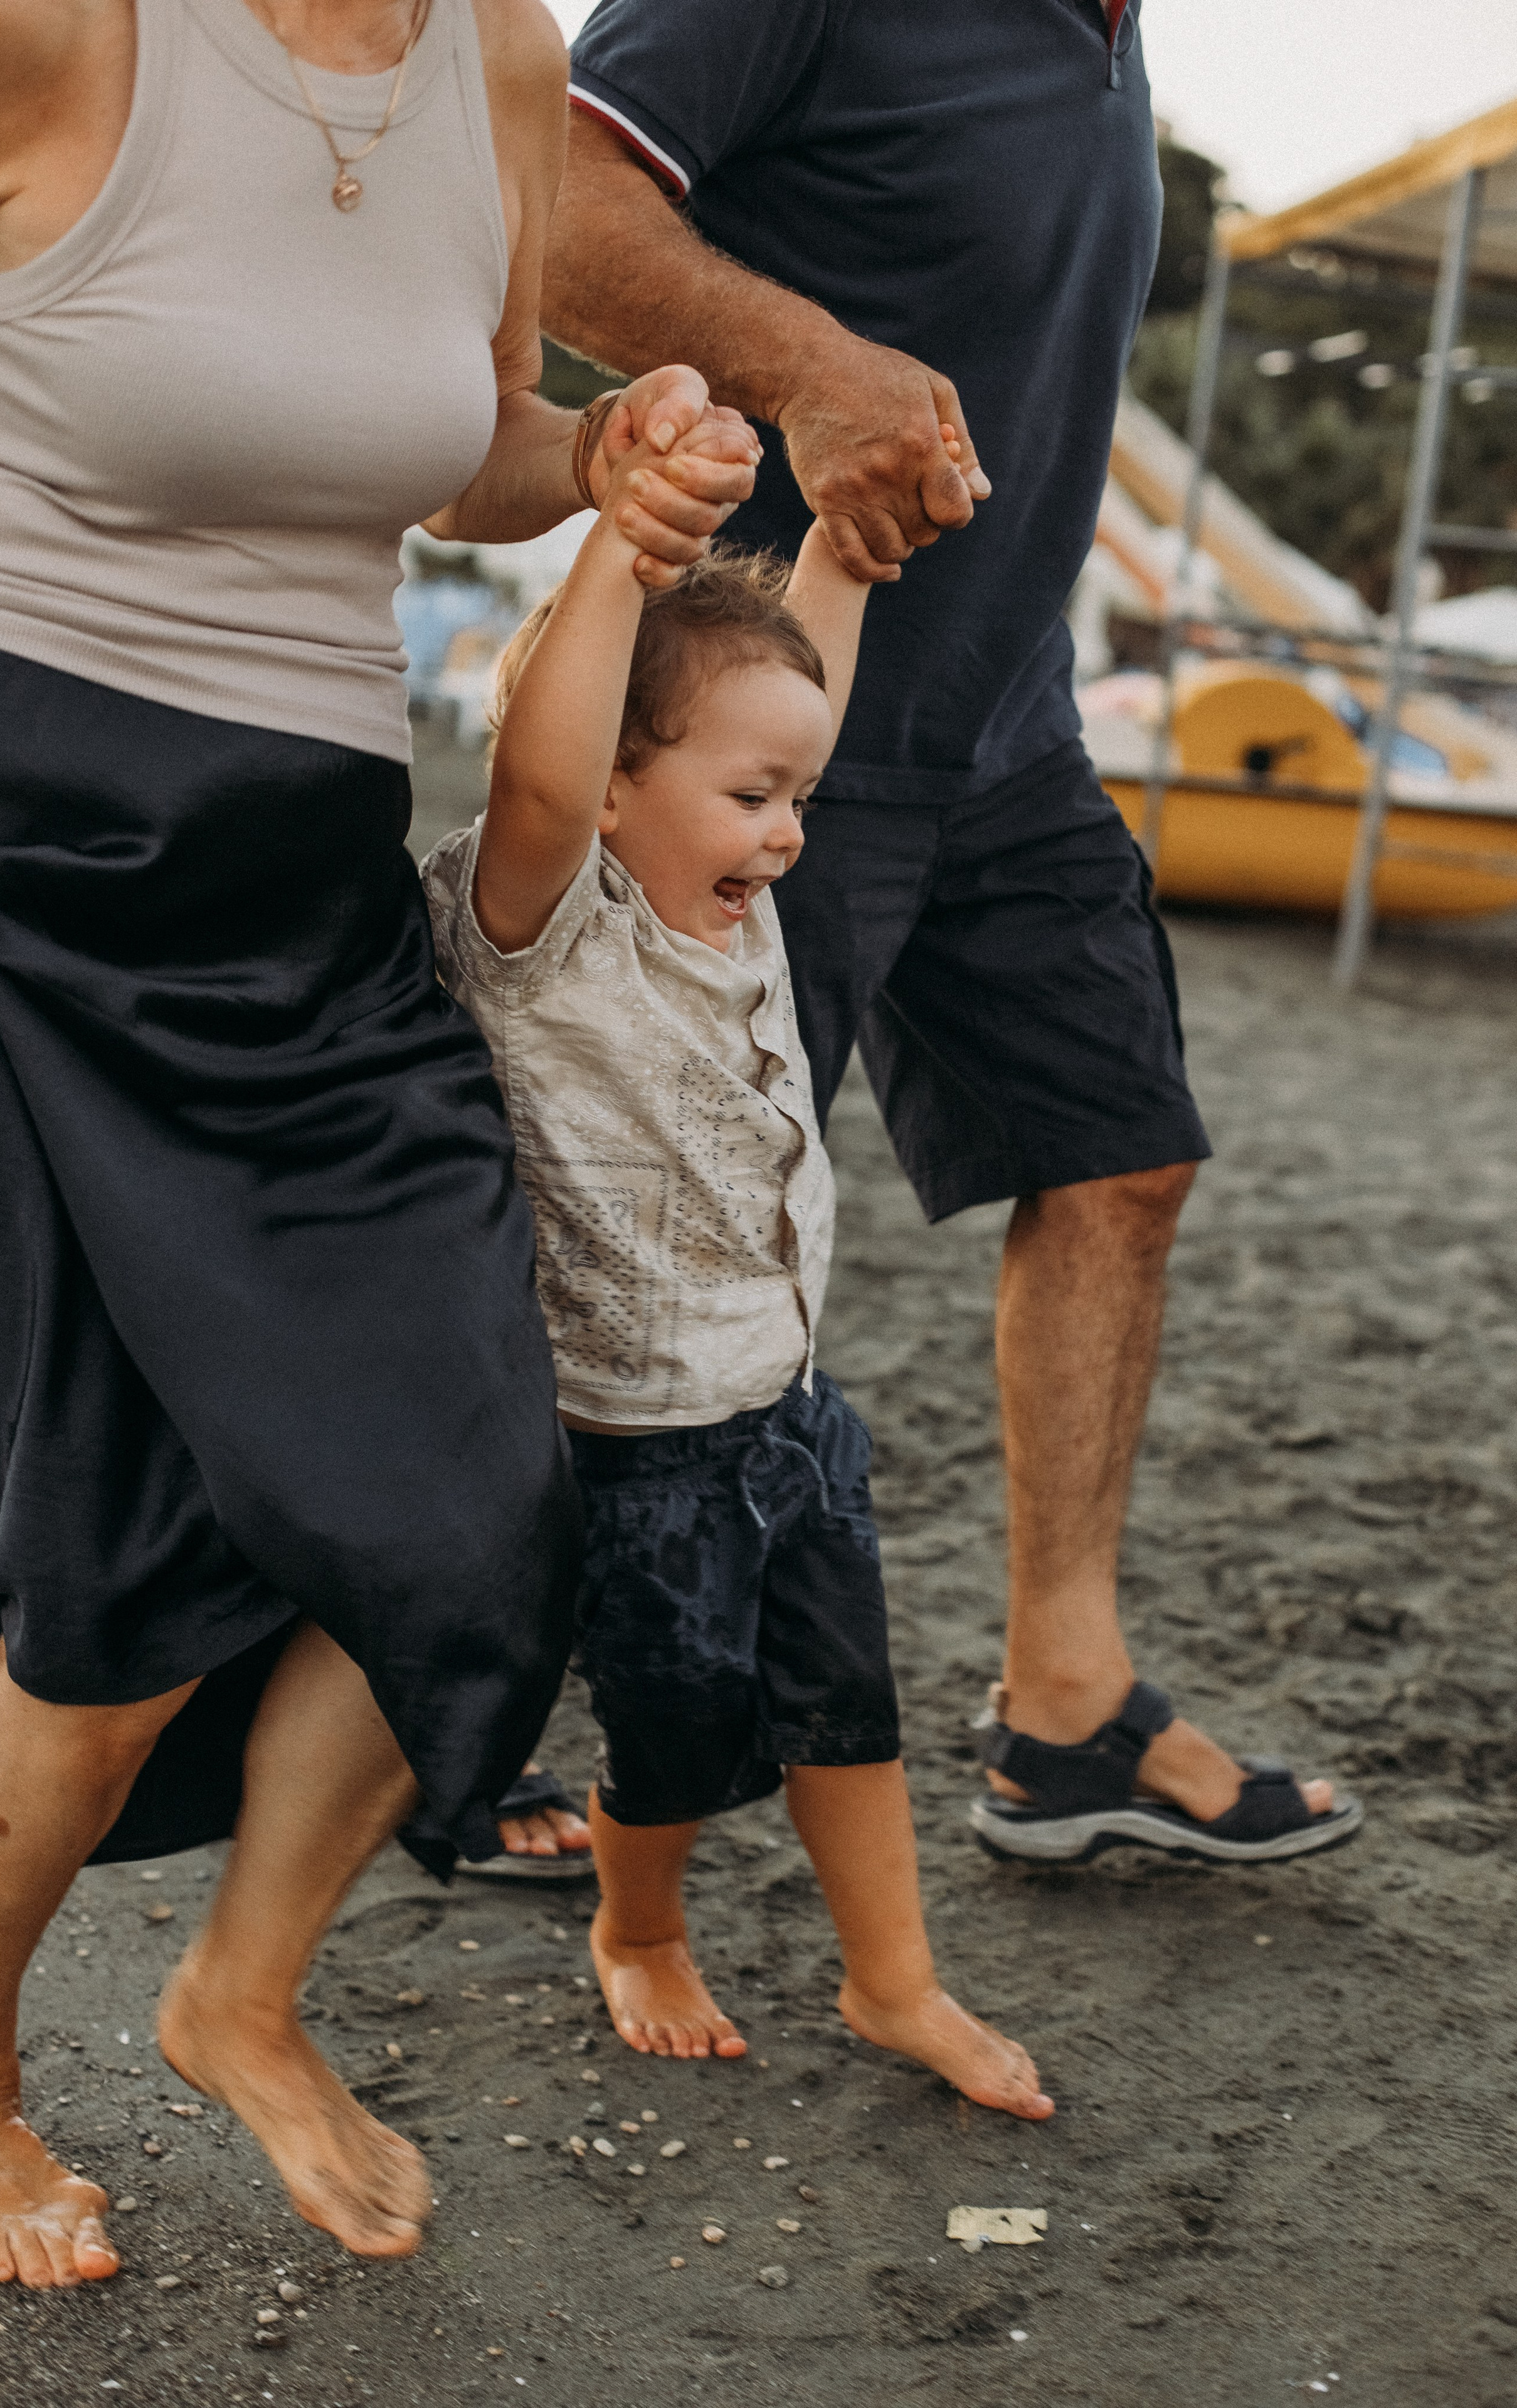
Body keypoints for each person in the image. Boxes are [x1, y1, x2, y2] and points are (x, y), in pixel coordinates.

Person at [0, 0, 757, 2291]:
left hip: (302, 878)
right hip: (5, 866)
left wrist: (599, 459)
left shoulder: (490, 49)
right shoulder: (30, 31)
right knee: (114, 1550)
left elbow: (455, 440)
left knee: (476, 1484)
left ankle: (235, 1998)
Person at [544, 0, 1361, 1866]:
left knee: (1121, 1159)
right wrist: (810, 364)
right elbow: (549, 203)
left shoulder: (1112, 39)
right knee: (648, 1244)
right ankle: (465, 1708)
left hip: (1007, 731)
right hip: (745, 719)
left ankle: (1066, 1710)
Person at [421, 421, 1054, 2117]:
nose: (786, 834)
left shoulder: (737, 894)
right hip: (631, 1441)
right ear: (616, 781)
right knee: (680, 1731)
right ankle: (637, 1928)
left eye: (797, 799)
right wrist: (623, 555)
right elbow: (550, 778)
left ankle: (893, 1977)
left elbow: (789, 711)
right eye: (752, 797)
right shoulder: (548, 920)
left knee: (851, 1702)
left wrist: (837, 561)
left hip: (784, 1403)